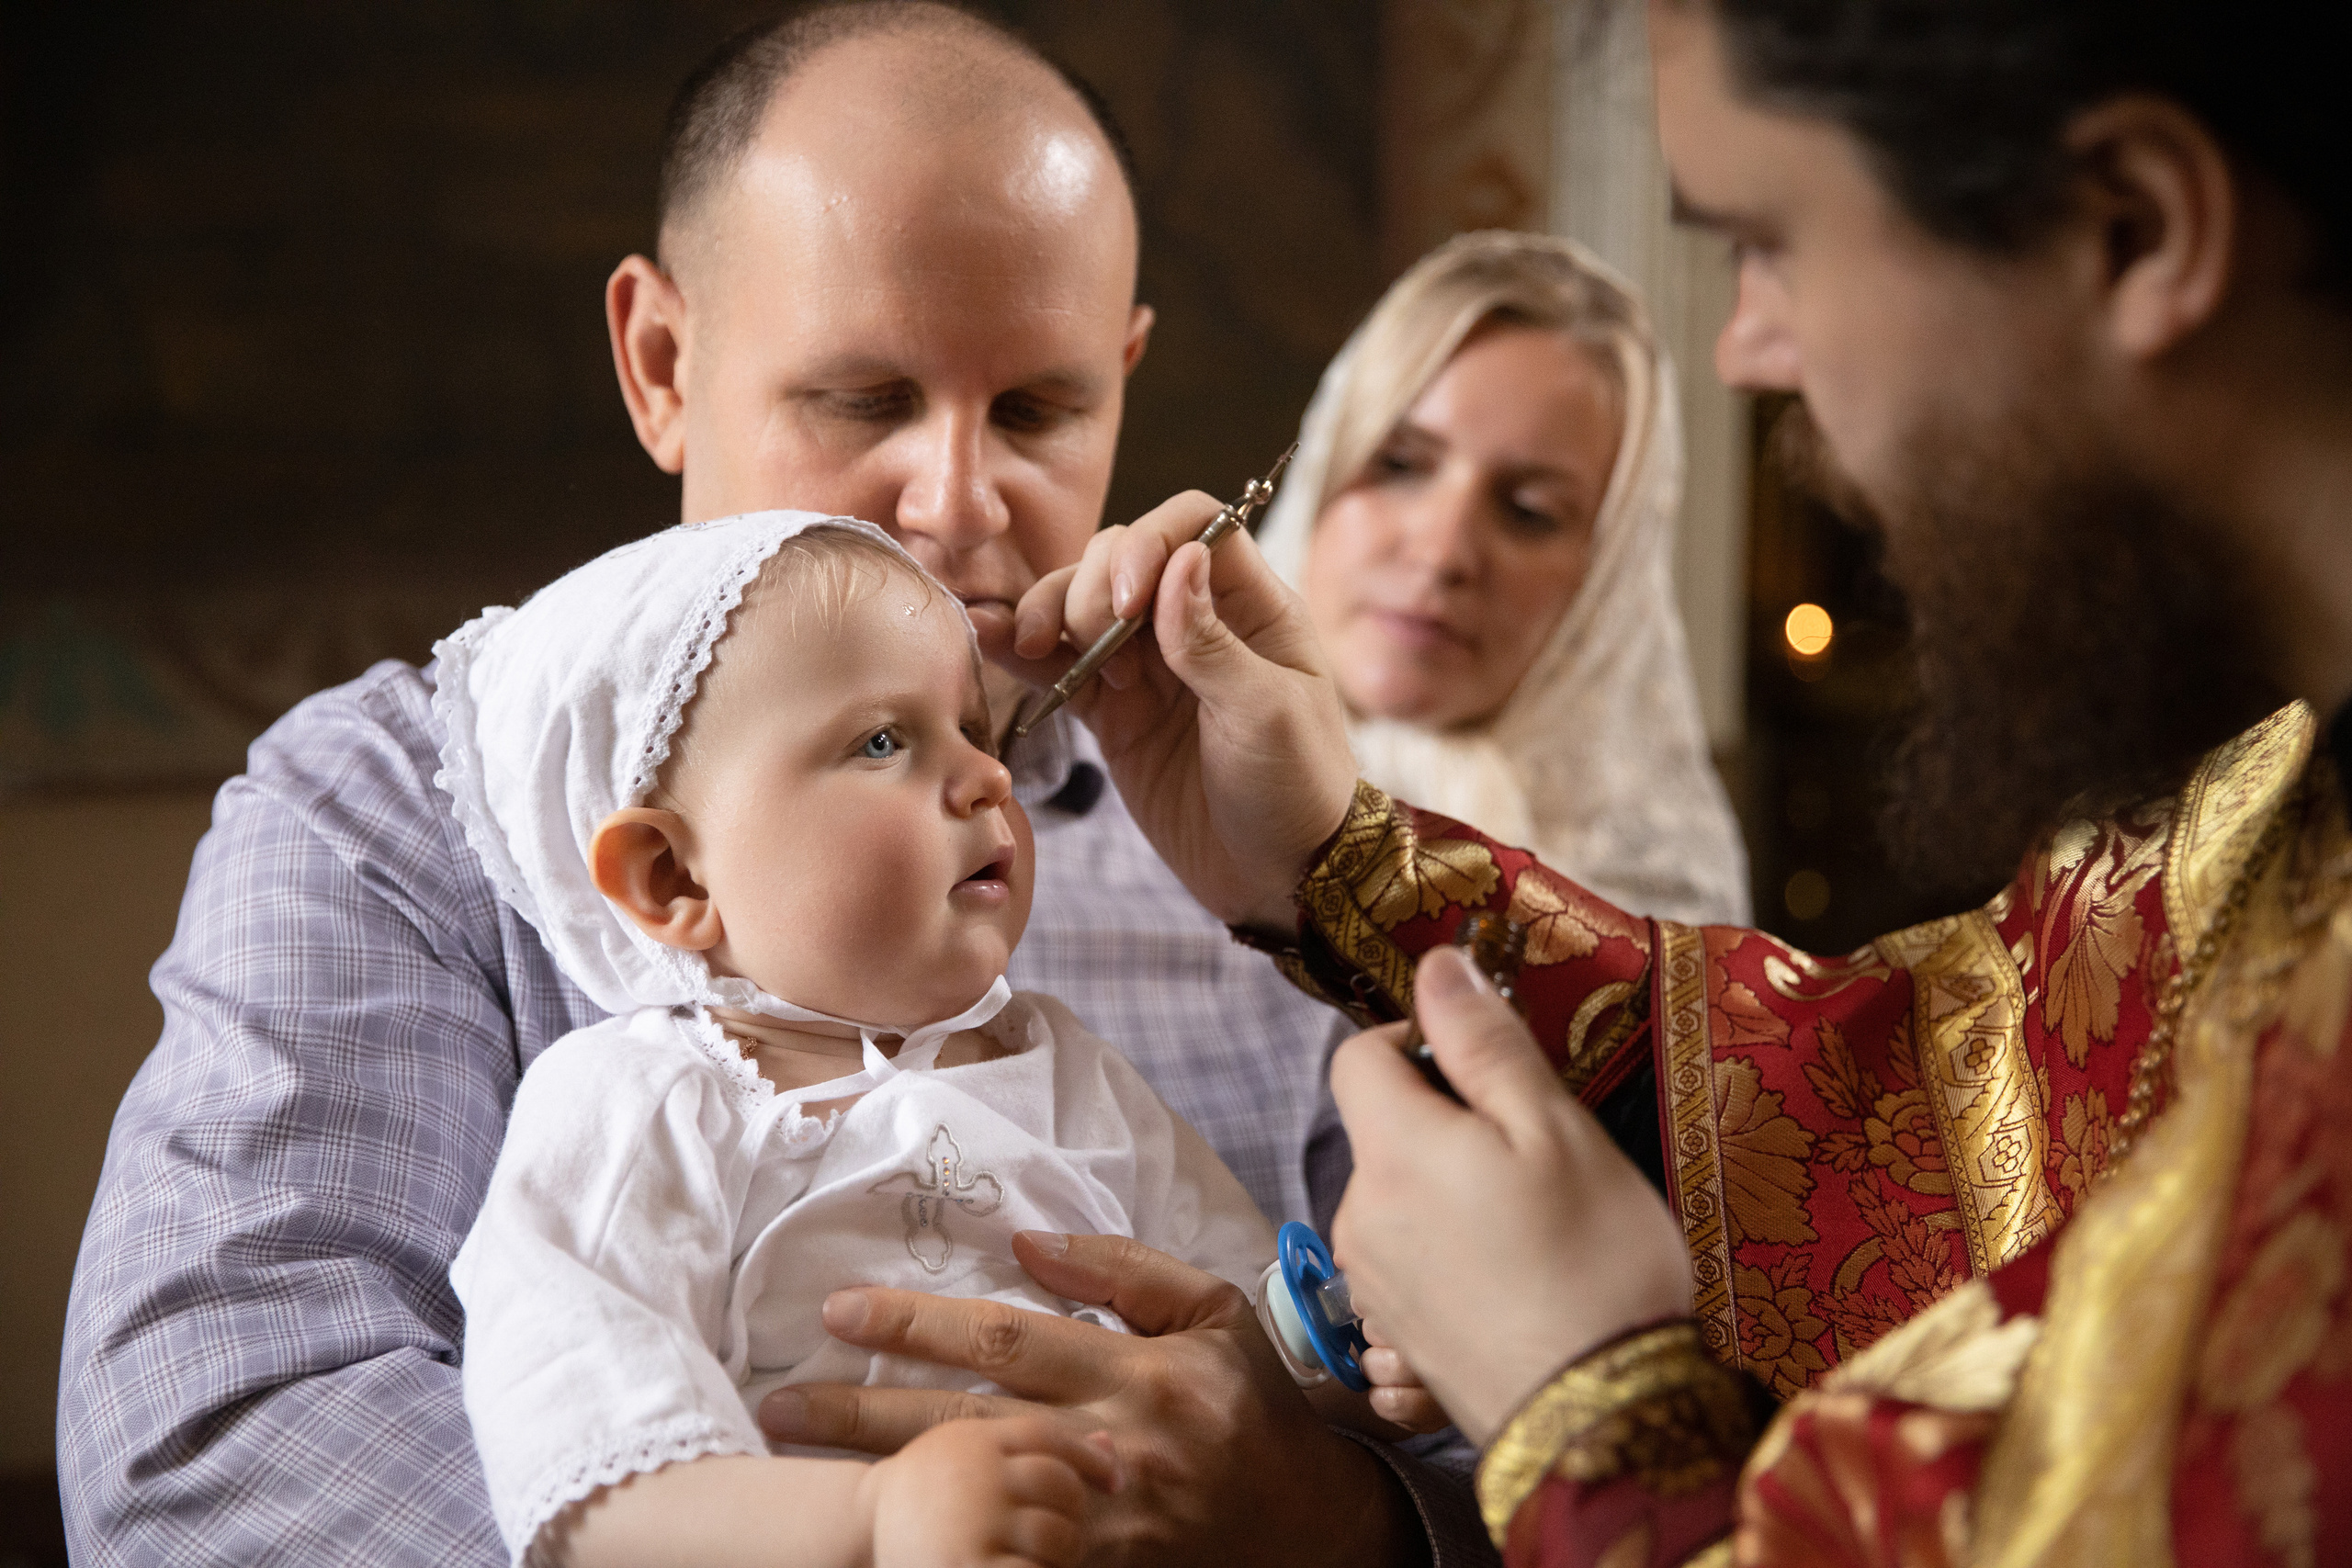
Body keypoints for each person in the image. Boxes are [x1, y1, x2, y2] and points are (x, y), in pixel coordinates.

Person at [58, 6, 1484, 1565]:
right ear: (662, 363)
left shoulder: (1268, 840)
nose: (955, 504)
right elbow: (217, 1448)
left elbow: (1506, 1412)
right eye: (862, 399)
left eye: (1039, 410)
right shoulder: (399, 815)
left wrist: (1336, 1512)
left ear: (1125, 378)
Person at [995, 0, 2352, 1559]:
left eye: (1769, 241)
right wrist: (1343, 863)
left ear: (2136, 229)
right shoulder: (2249, 796)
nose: (1743, 346)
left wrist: (1586, 1404)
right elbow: (1906, 1109)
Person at [440, 514, 1428, 1567]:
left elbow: (1237, 1349)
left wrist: (1358, 1352)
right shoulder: (636, 1106)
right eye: (882, 741)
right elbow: (592, 1484)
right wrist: (870, 1523)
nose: (989, 778)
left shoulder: (1065, 1068)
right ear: (673, 878)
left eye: (977, 733)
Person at [1255, 230, 1747, 927]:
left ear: (1607, 588)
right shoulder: (1135, 792)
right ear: (1320, 473)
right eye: (1399, 465)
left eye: (1529, 511)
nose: (1444, 553)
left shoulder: (1659, 926)